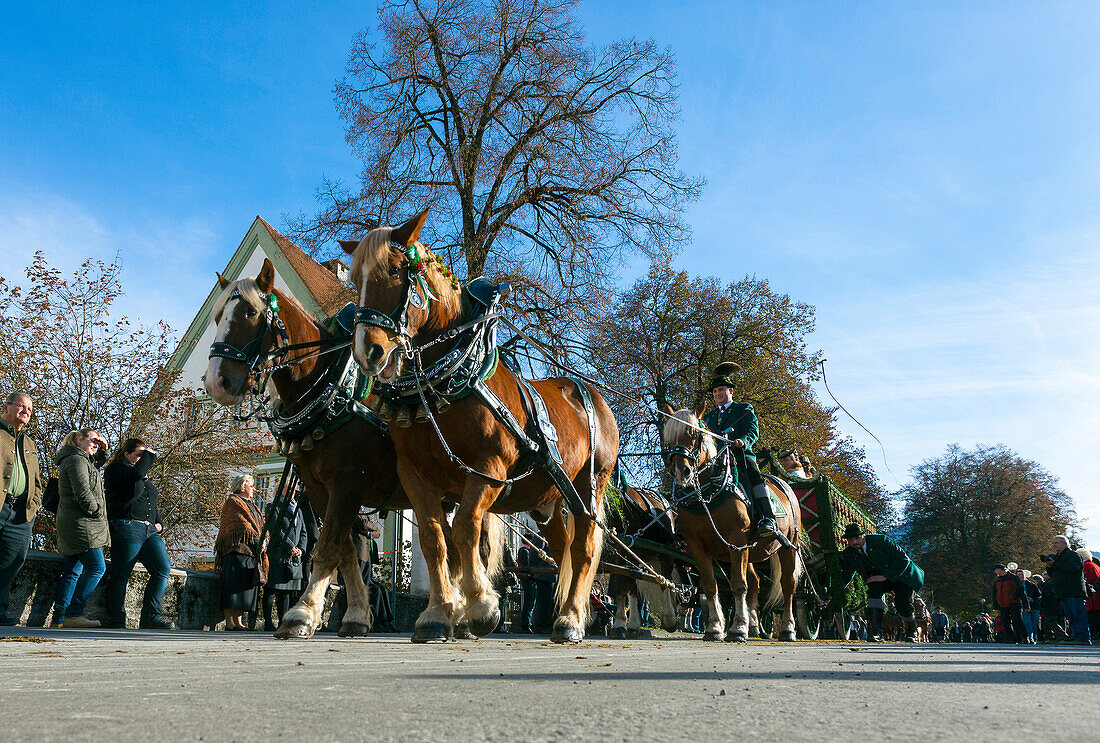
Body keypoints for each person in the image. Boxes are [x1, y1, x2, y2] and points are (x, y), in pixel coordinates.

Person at [702, 362, 790, 548]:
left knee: (753, 474)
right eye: (715, 391)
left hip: (740, 456)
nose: (718, 394)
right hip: (716, 460)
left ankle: (768, 518)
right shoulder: (708, 418)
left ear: (731, 391)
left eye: (721, 390)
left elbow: (752, 431)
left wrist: (742, 441)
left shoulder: (744, 409)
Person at [102, 438, 175, 629]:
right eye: (139, 455)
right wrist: (149, 455)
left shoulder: (141, 474)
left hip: (149, 530)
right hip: (127, 526)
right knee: (121, 574)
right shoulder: (116, 470)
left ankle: (151, 617)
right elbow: (136, 476)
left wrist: (159, 523)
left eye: (144, 456)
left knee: (162, 568)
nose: (144, 459)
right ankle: (116, 619)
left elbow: (149, 500)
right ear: (126, 454)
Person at [52, 428, 110, 628]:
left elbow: (98, 463)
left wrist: (103, 449)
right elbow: (82, 491)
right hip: (82, 524)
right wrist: (96, 511)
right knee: (97, 567)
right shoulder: (76, 461)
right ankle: (74, 613)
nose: (97, 443)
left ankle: (59, 619)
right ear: (79, 440)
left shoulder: (82, 460)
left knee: (72, 570)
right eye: (93, 440)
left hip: (75, 522)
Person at [832, 522, 925, 642]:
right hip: (879, 578)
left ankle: (911, 632)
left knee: (902, 603)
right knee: (873, 592)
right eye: (850, 539)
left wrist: (885, 576)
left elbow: (903, 559)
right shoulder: (849, 553)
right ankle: (876, 632)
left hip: (903, 575)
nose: (854, 542)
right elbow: (846, 575)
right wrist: (833, 592)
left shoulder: (881, 540)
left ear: (864, 536)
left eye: (857, 538)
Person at [0, 392, 43, 626]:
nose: (26, 411)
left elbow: (36, 480)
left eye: (30, 409)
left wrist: (33, 504)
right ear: (5, 407)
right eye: (21, 406)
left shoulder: (29, 442)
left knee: (12, 560)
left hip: (20, 513)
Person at [214, 475, 266, 630]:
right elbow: (242, 524)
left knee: (244, 587)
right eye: (251, 486)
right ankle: (229, 622)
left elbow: (261, 526)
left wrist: (264, 540)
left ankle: (239, 621)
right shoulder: (233, 502)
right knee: (233, 587)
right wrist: (258, 539)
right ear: (243, 486)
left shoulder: (253, 506)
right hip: (236, 550)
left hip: (250, 552)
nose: (254, 489)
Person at [262, 489, 308, 632]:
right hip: (278, 554)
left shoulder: (298, 510)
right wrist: (290, 547)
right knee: (271, 589)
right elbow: (275, 530)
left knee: (286, 592)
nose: (294, 492)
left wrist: (301, 548)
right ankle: (268, 623)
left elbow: (303, 532)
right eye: (290, 489)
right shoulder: (273, 506)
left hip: (293, 558)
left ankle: (284, 622)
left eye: (294, 490)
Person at [1041, 536, 1090, 644]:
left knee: (1078, 615)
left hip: (1073, 590)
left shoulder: (1073, 555)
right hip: (1063, 591)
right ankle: (1077, 637)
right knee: (1071, 617)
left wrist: (1055, 564)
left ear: (1066, 543)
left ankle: (1083, 638)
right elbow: (1052, 574)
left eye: (1056, 543)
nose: (1054, 545)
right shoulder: (1058, 557)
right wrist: (1049, 566)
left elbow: (1072, 569)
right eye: (1053, 543)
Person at [992, 564, 1026, 644]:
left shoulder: (1013, 577)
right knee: (1005, 622)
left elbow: (1021, 590)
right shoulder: (997, 580)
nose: (998, 574)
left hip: (1014, 602)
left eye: (999, 572)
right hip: (1002, 603)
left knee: (1017, 621)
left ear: (1003, 570)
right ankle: (1011, 638)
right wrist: (996, 607)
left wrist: (1025, 604)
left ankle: (1022, 637)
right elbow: (995, 594)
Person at [1079, 547, 1100, 643]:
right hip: (1095, 597)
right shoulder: (1094, 565)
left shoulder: (1086, 566)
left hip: (1093, 598)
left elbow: (1089, 581)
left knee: (1093, 618)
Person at [1017, 569, 1040, 643]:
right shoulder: (1015, 585)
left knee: (1034, 623)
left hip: (1034, 606)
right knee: (1027, 623)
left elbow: (1039, 595)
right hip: (1023, 606)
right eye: (1019, 575)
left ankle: (1035, 638)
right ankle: (1030, 638)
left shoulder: (1031, 584)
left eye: (1022, 574)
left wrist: (1032, 599)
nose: (1021, 576)